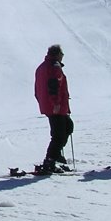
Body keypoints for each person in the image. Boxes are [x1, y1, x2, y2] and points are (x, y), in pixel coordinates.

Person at [34, 44, 72, 173]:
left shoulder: (42, 67)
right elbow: (54, 86)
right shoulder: (54, 67)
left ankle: (55, 156)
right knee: (59, 134)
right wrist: (56, 103)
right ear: (57, 54)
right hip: (56, 107)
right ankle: (50, 160)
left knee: (66, 127)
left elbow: (37, 89)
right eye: (62, 54)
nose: (63, 56)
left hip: (50, 105)